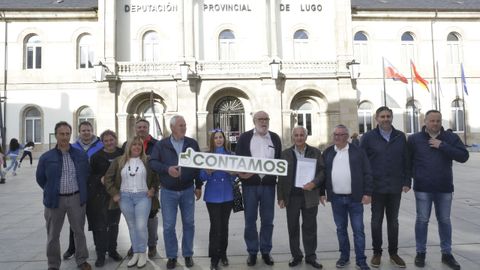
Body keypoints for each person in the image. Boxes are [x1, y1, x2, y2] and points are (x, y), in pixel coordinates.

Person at [408, 110, 469, 270]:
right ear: (425, 121)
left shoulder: (450, 138)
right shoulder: (414, 139)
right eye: (432, 120)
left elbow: (463, 156)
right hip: (423, 188)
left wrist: (442, 146)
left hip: (444, 187)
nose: (435, 123)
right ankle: (420, 252)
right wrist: (412, 178)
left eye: (438, 120)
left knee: (444, 221)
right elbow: (407, 162)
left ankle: (446, 253)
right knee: (422, 221)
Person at [35, 121, 92, 270]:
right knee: (53, 235)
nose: (65, 137)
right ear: (56, 135)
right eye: (62, 134)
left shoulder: (80, 155)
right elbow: (41, 178)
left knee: (79, 232)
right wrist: (52, 190)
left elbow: (86, 174)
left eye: (67, 134)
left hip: (76, 198)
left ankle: (81, 260)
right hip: (55, 200)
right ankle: (53, 264)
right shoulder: (46, 157)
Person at [149, 115, 202, 269]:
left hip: (187, 190)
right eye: (180, 125)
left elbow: (198, 165)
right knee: (168, 226)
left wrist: (198, 186)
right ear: (172, 127)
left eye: (185, 125)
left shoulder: (192, 143)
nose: (184, 128)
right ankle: (172, 256)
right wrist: (167, 169)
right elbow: (153, 162)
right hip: (168, 191)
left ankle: (188, 254)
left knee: (189, 223)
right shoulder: (162, 144)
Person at [360, 106, 410, 268]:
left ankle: (394, 253)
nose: (386, 119)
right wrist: (365, 187)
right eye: (382, 116)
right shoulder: (368, 137)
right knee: (376, 221)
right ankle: (377, 253)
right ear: (377, 119)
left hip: (395, 187)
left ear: (392, 117)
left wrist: (407, 181)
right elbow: (362, 163)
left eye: (388, 116)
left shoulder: (400, 136)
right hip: (376, 187)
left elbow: (406, 160)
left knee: (393, 221)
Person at [321, 124, 373, 270]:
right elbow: (322, 174)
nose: (338, 137)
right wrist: (321, 193)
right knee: (341, 230)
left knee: (358, 231)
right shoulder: (328, 152)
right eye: (335, 135)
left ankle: (361, 260)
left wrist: (368, 193)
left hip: (355, 198)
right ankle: (344, 257)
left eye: (341, 134)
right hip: (336, 198)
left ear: (347, 136)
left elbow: (367, 173)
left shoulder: (358, 152)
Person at [104, 135, 159, 268]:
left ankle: (142, 253)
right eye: (134, 145)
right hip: (125, 197)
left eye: (139, 145)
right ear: (129, 147)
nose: (136, 147)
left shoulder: (148, 161)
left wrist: (152, 189)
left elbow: (157, 177)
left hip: (143, 197)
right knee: (132, 226)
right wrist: (114, 193)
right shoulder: (119, 161)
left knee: (141, 226)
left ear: (142, 148)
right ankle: (136, 252)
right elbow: (108, 178)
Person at [235, 111, 282, 266]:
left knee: (268, 220)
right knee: (250, 220)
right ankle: (252, 252)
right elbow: (238, 162)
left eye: (266, 119)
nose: (263, 122)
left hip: (268, 186)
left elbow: (279, 163)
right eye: (260, 119)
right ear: (254, 121)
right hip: (250, 187)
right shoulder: (244, 138)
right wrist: (243, 176)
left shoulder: (274, 138)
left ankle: (266, 251)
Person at [277, 126, 325, 269]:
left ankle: (311, 256)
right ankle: (296, 255)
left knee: (310, 227)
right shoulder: (285, 154)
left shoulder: (315, 152)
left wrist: (314, 183)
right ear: (293, 137)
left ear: (306, 136)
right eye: (296, 135)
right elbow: (281, 177)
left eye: (301, 135)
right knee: (293, 227)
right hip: (291, 197)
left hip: (310, 195)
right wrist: (280, 197)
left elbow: (322, 171)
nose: (299, 138)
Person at [63, 121, 104, 260]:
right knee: (75, 222)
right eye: (83, 130)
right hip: (78, 189)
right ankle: (72, 248)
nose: (86, 133)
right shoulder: (72, 147)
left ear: (92, 131)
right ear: (79, 132)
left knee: (97, 221)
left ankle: (100, 250)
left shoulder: (100, 145)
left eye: (88, 130)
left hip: (96, 190)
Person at [199, 129, 236, 270]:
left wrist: (233, 174)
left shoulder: (231, 155)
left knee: (224, 226)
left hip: (227, 195)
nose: (219, 140)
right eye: (216, 138)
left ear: (224, 139)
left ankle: (223, 254)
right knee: (215, 227)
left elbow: (234, 176)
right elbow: (201, 177)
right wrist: (208, 173)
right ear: (212, 140)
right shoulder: (207, 155)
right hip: (213, 196)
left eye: (221, 137)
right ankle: (214, 258)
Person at [86, 130, 124, 267]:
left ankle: (112, 250)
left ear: (115, 139)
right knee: (100, 226)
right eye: (106, 140)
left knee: (114, 224)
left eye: (111, 139)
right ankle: (100, 254)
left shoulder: (122, 153)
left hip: (117, 195)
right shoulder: (96, 156)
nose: (109, 142)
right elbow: (90, 176)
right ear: (102, 142)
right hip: (100, 196)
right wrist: (99, 179)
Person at [123, 118, 159, 258]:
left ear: (148, 128)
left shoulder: (156, 144)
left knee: (151, 216)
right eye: (139, 127)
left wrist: (154, 187)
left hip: (150, 188)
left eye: (144, 127)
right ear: (135, 129)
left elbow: (158, 165)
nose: (142, 129)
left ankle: (151, 245)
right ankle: (136, 245)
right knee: (135, 218)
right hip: (131, 189)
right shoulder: (127, 144)